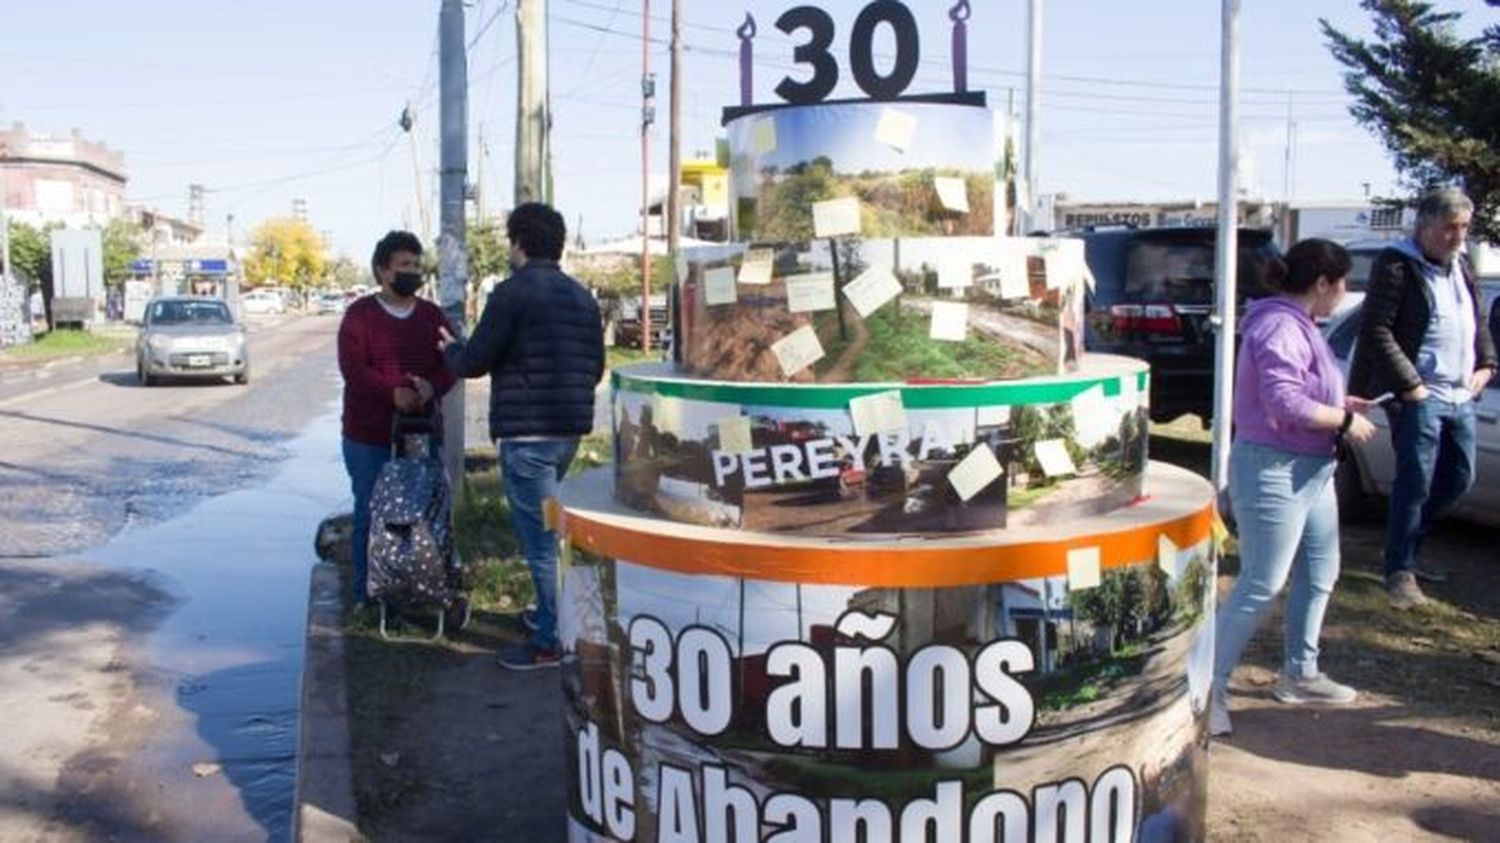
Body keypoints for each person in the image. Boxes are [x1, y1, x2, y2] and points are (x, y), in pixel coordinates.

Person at [1210, 238, 1377, 738]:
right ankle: (1208, 687)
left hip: (1312, 467)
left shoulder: (1301, 323)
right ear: (1323, 283)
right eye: (1342, 282)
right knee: (1262, 582)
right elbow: (1283, 402)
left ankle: (1300, 672)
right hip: (1273, 468)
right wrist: (1342, 419)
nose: (1343, 293)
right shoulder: (1279, 324)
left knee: (1321, 571)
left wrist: (1339, 400)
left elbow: (1299, 390)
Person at [439, 202, 604, 671]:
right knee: (552, 530)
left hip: (527, 438)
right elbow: (595, 367)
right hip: (567, 433)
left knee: (541, 541)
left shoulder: (511, 294)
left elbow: (474, 361)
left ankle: (552, 641)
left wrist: (450, 350)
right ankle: (550, 616)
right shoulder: (581, 297)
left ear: (518, 242)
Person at [1348, 187, 1496, 608]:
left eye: (1464, 227)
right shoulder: (1397, 265)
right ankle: (1400, 570)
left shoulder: (1461, 265)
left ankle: (1405, 546)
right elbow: (1376, 330)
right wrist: (1410, 384)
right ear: (1425, 226)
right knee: (1414, 482)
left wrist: (1487, 364)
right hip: (1418, 394)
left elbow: (1476, 320)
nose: (1458, 236)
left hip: (1460, 393)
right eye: (1450, 227)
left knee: (1457, 477)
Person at [338, 230, 456, 604]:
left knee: (421, 513)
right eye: (404, 265)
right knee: (370, 512)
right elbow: (354, 369)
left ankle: (417, 587)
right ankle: (366, 594)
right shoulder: (360, 316)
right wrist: (393, 393)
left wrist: (430, 388)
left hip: (419, 433)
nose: (413, 272)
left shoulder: (432, 315)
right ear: (382, 271)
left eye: (417, 265)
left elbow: (452, 362)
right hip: (367, 435)